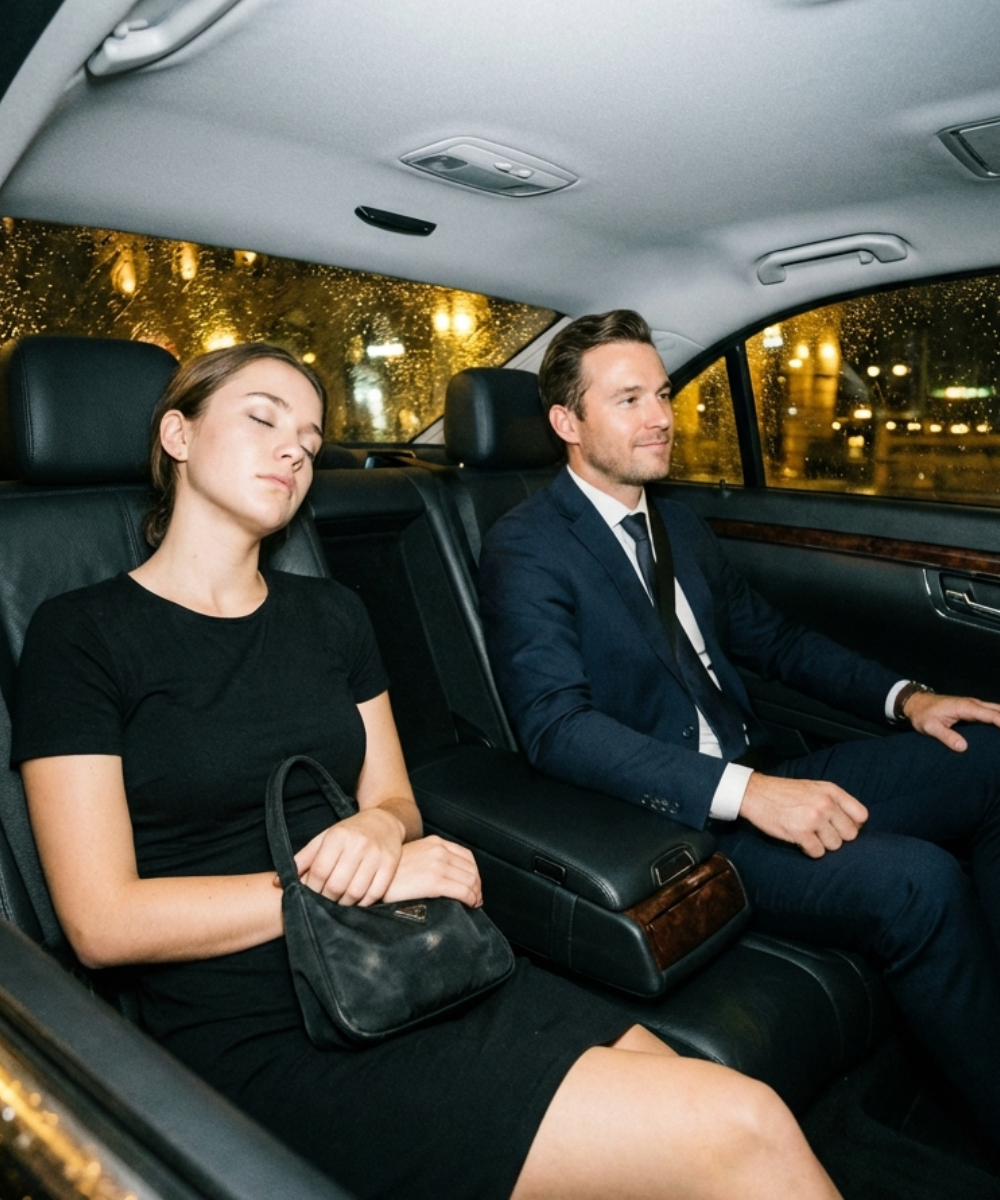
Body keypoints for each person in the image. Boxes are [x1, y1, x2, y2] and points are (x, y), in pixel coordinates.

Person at [10, 342, 841, 1200]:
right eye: (263, 419)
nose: (294, 450)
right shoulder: (81, 635)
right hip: (264, 1020)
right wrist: (345, 885)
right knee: (745, 1126)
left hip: (416, 955)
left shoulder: (331, 613)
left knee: (706, 1104)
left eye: (310, 438)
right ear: (178, 435)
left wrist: (380, 830)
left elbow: (395, 798)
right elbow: (103, 922)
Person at [478, 310, 1000, 1151]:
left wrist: (908, 699)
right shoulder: (528, 546)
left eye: (662, 394)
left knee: (986, 755)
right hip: (689, 827)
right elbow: (555, 728)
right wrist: (747, 794)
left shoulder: (677, 524)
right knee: (921, 882)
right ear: (567, 424)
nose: (661, 417)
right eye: (629, 399)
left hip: (766, 769)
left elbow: (776, 642)